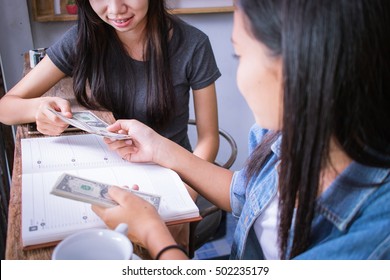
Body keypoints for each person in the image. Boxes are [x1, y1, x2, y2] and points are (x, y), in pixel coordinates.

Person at [96, 0, 389, 260]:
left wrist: (153, 235)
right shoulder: (285, 132)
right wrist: (158, 147)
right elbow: (245, 194)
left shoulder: (376, 233)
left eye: (239, 55)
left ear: (302, 66)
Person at [0, 0, 220, 165]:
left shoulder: (194, 45)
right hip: (109, 168)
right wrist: (39, 109)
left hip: (172, 170)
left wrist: (186, 193)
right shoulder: (82, 39)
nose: (115, 9)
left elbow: (209, 139)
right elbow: (5, 108)